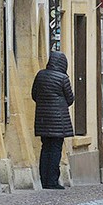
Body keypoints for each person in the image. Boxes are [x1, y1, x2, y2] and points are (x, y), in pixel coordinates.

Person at [32, 50, 74, 190]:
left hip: (43, 120)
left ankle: (44, 179)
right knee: (55, 150)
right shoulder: (63, 78)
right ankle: (52, 181)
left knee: (45, 149)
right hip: (58, 121)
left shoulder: (40, 75)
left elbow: (34, 95)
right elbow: (70, 98)